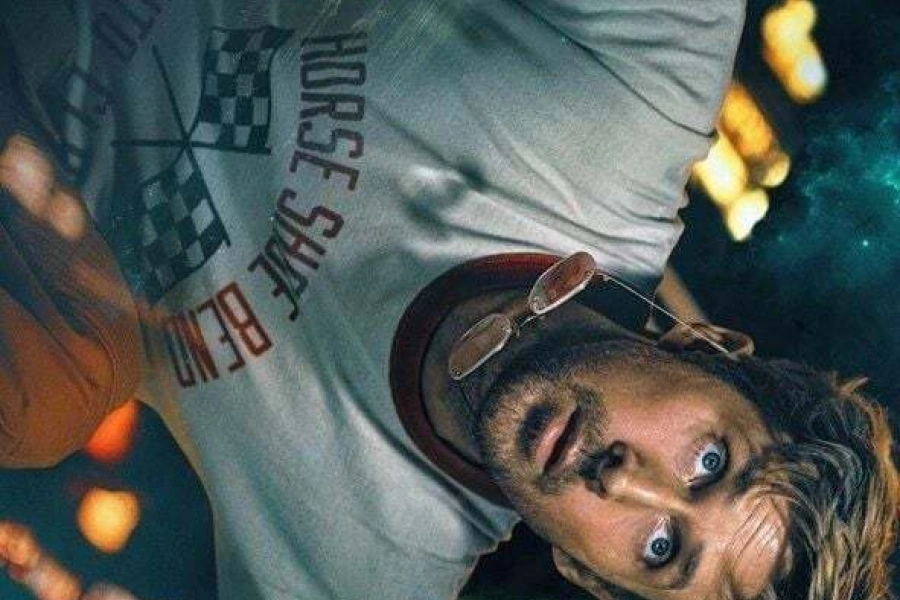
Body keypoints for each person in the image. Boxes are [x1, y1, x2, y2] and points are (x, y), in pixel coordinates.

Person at [0, 2, 896, 600]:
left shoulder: (359, 571)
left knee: (48, 401)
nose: (624, 481)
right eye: (708, 461)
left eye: (662, 549)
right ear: (712, 347)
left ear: (589, 577)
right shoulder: (638, 84)